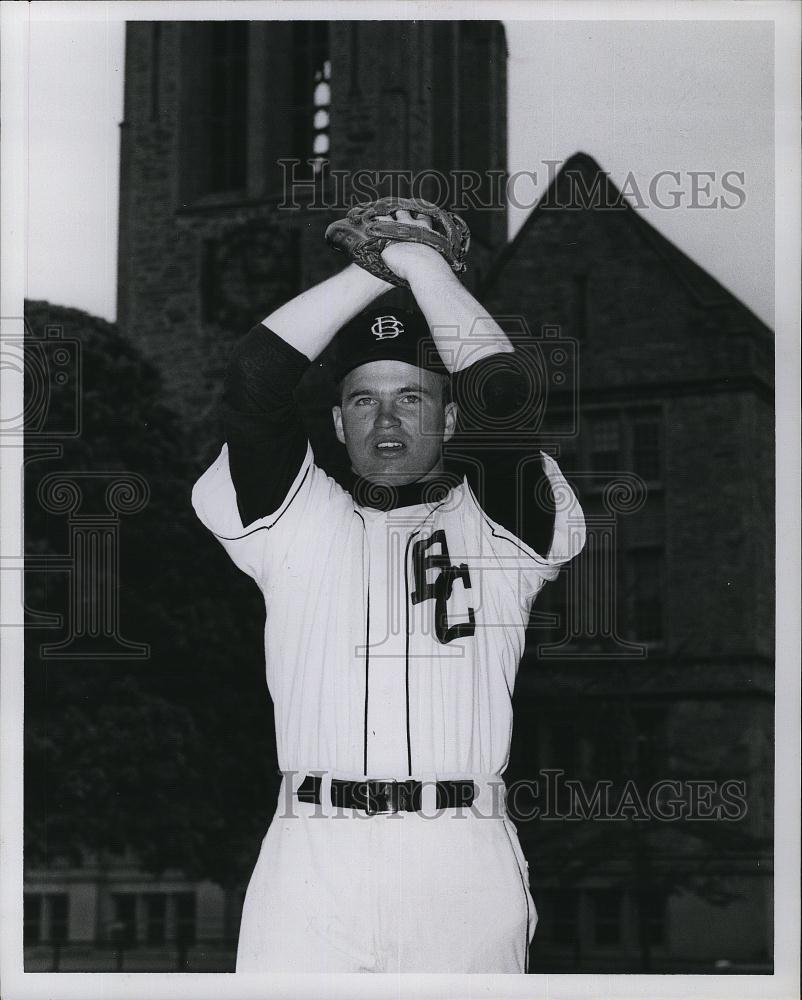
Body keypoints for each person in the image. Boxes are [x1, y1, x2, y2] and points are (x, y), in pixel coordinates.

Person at [192, 209, 586, 973]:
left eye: (412, 396)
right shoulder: (291, 522)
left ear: (449, 415)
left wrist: (426, 267)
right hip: (310, 859)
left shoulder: (504, 529)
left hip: (459, 857)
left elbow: (505, 402)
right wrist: (372, 271)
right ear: (337, 423)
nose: (386, 419)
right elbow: (255, 381)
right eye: (364, 400)